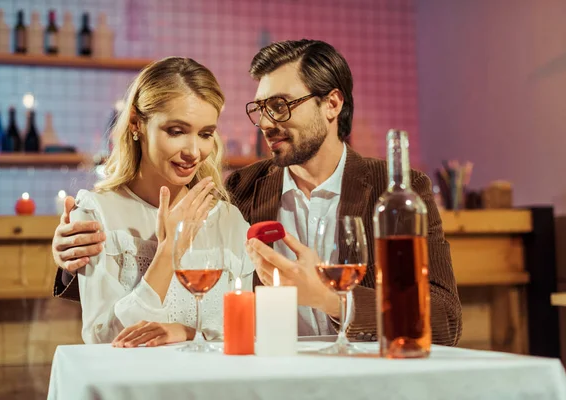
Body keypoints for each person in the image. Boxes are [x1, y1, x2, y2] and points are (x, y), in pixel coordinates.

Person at [53, 40, 462, 346]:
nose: (266, 122)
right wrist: (69, 255)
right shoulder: (240, 191)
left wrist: (330, 299)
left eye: (281, 106)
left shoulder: (396, 192)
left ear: (332, 104)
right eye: (261, 108)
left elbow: (444, 321)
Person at [56, 57, 253, 347]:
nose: (194, 151)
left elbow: (245, 332)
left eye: (205, 134)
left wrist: (185, 332)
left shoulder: (229, 220)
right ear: (136, 123)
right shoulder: (97, 215)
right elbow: (105, 341)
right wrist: (168, 253)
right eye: (176, 131)